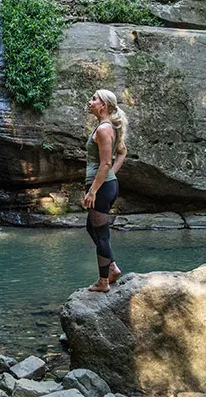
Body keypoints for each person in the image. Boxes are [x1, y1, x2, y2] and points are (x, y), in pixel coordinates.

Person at [83, 89, 128, 292]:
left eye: (94, 99)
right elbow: (122, 153)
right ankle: (111, 268)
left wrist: (93, 191)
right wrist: (111, 177)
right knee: (92, 227)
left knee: (101, 234)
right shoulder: (107, 127)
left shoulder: (103, 129)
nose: (90, 101)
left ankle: (103, 281)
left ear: (104, 105)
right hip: (105, 184)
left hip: (101, 188)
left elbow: (104, 164)